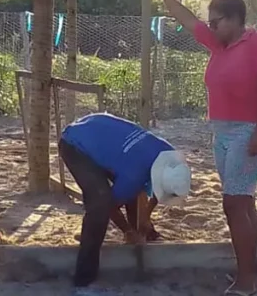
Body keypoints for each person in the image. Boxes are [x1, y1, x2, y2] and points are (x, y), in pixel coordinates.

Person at [149, 0, 257, 296]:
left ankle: (247, 282)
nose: (211, 26)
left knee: (233, 203)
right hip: (222, 132)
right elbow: (186, 19)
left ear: (236, 19)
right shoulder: (218, 44)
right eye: (211, 22)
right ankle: (250, 273)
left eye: (216, 21)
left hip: (250, 130)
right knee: (241, 201)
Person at [59, 112, 191, 289]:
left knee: (130, 191)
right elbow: (111, 208)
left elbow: (156, 191)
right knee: (100, 203)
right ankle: (84, 279)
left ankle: (140, 231)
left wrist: (145, 217)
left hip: (102, 128)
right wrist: (127, 230)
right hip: (75, 142)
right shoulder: (134, 174)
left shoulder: (168, 154)